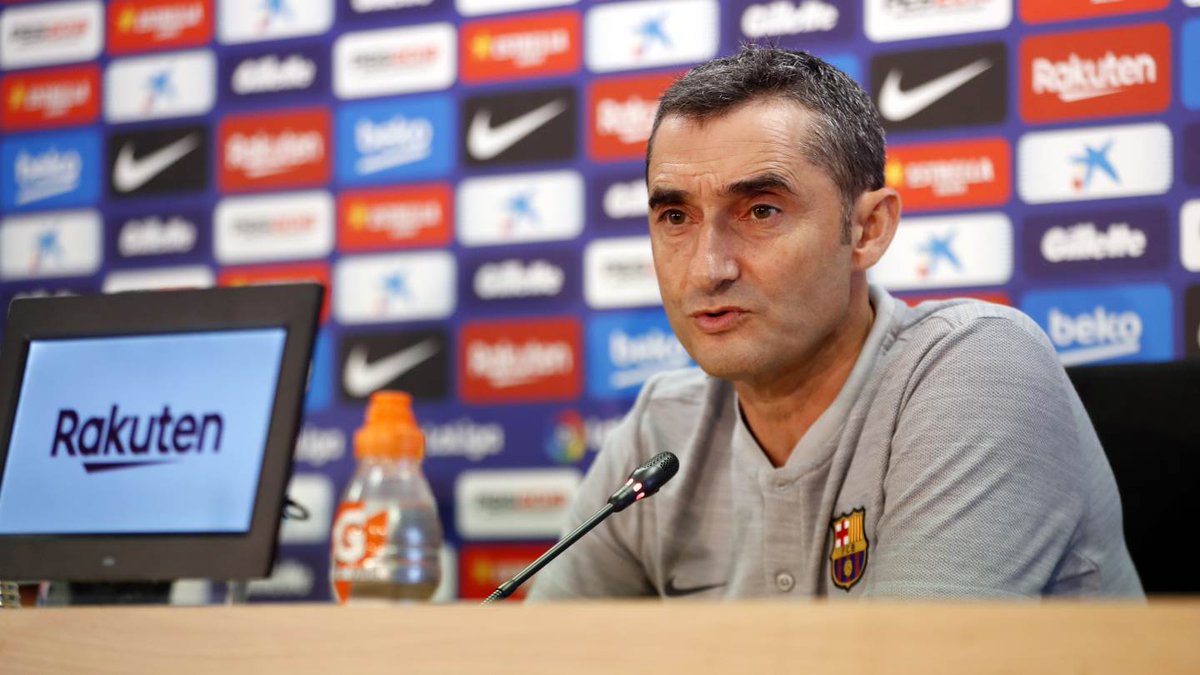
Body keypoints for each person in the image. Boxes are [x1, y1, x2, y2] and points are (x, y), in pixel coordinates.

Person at [527, 46, 1142, 599]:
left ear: (868, 230)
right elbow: (536, 654)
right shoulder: (663, 427)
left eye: (761, 210)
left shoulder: (980, 367)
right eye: (675, 218)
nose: (706, 269)